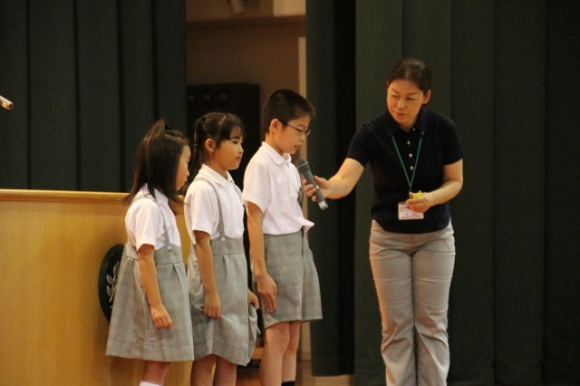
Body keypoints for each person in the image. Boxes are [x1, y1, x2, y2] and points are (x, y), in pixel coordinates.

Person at [305, 58, 463, 385]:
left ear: (426, 97)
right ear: (386, 91)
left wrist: (431, 198)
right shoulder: (372, 132)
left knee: (432, 324)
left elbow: (456, 181)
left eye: (410, 98)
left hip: (434, 237)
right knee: (395, 326)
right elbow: (344, 179)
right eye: (394, 95)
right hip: (387, 239)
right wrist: (328, 187)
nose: (400, 105)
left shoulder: (443, 128)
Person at [242, 89, 323, 386]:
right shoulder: (260, 164)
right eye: (298, 130)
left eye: (305, 131)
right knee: (277, 337)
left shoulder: (288, 164)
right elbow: (254, 217)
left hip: (297, 246)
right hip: (275, 250)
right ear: (275, 125)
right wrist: (261, 272)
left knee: (293, 337)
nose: (301, 138)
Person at [106, 119, 194, 386]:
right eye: (186, 163)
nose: (189, 171)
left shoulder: (162, 203)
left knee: (162, 362)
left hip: (167, 290)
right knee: (157, 364)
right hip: (157, 295)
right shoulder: (147, 207)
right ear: (167, 165)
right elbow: (145, 258)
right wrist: (156, 306)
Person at [184, 112, 260, 386]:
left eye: (242, 143)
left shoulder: (230, 184)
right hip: (211, 277)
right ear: (211, 145)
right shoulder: (203, 188)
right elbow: (203, 244)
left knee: (231, 355)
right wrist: (212, 291)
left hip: (233, 274)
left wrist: (243, 289)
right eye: (235, 142)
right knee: (208, 355)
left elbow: (235, 243)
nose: (241, 149)